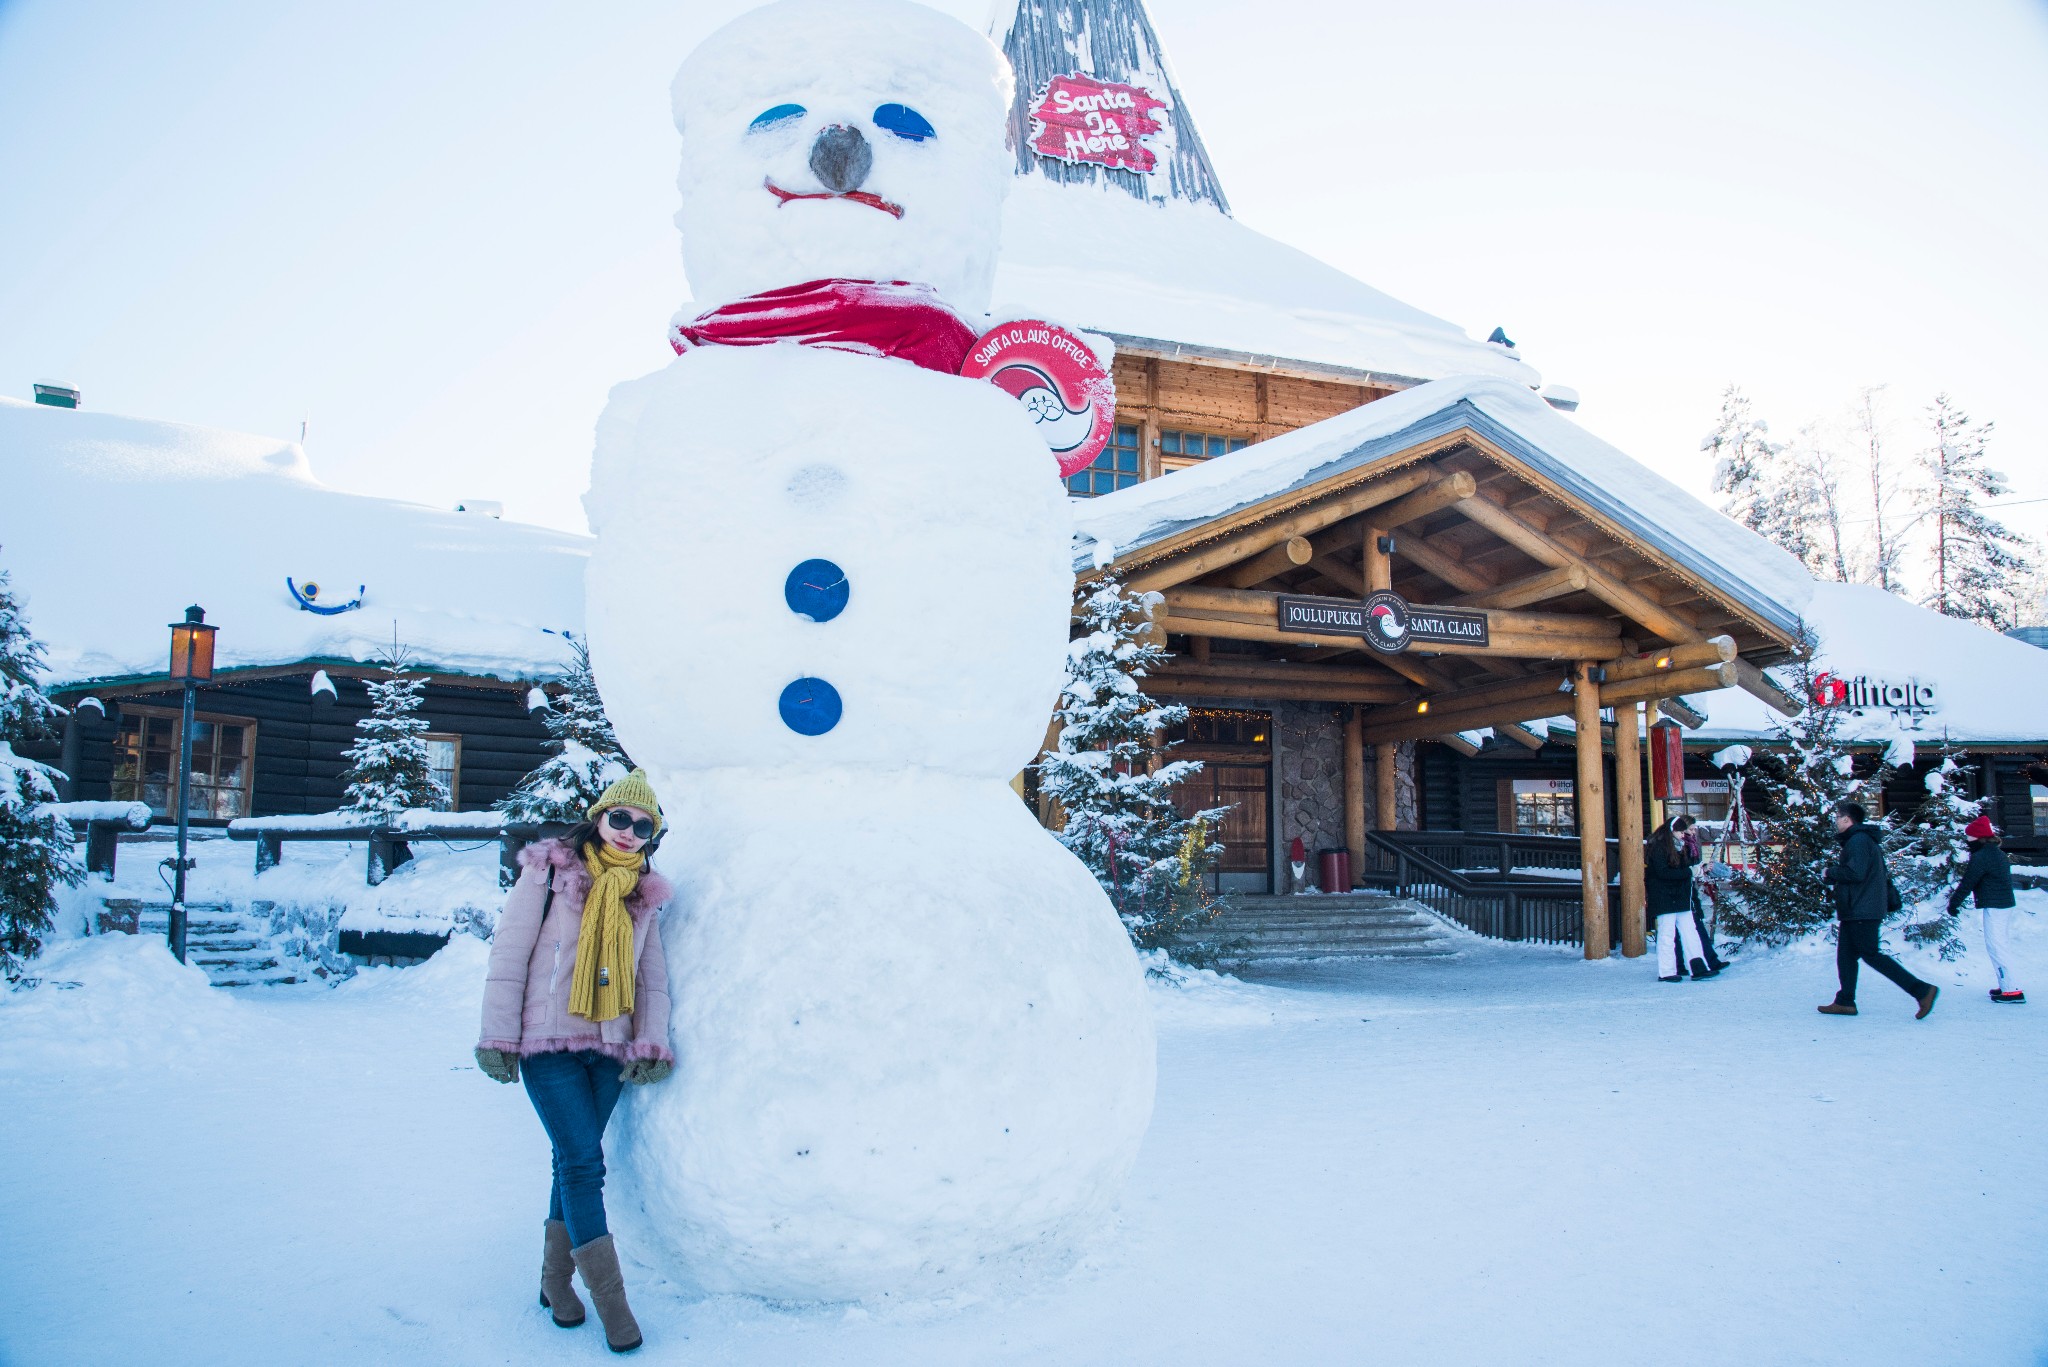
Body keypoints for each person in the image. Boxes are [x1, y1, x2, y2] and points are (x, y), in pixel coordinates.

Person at [475, 769, 676, 1354]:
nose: (629, 832)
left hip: (608, 1048)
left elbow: (652, 977)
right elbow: (510, 951)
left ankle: (553, 1283)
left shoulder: (644, 894)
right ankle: (615, 1309)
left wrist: (651, 1041)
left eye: (644, 826)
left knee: (572, 1160)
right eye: (621, 818)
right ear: (599, 816)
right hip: (547, 1042)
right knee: (585, 1164)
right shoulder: (551, 871)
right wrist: (497, 1036)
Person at [1818, 800, 1938, 1019]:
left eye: (1838, 818)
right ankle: (1845, 1001)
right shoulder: (1859, 840)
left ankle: (1921, 990)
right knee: (1845, 956)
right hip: (1857, 908)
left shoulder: (1859, 840)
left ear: (1847, 819)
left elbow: (1856, 873)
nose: (1835, 822)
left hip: (1862, 908)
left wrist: (1830, 872)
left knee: (1871, 954)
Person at [1948, 814, 2024, 1004]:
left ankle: (2012, 991)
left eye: (1969, 837)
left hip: (1996, 906)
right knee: (2000, 945)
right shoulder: (1994, 852)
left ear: (1978, 837)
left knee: (1997, 947)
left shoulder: (1982, 856)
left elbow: (1968, 882)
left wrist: (1954, 903)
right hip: (2002, 904)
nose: (1967, 840)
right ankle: (2007, 985)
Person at [1646, 818, 1716, 981]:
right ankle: (1667, 971)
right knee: (1667, 935)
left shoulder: (1680, 847)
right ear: (1671, 831)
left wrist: (1700, 869)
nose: (1683, 835)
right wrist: (1691, 871)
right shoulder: (1657, 848)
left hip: (1680, 897)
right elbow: (1663, 873)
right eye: (1680, 832)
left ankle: (1698, 967)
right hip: (1664, 898)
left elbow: (1685, 868)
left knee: (1690, 932)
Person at [1676, 815, 1730, 974]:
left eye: (1695, 829)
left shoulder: (1690, 844)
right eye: (1691, 829)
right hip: (1681, 892)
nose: (1693, 832)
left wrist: (1703, 868)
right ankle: (1697, 964)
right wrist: (1699, 869)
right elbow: (1683, 868)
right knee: (1688, 930)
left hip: (1689, 889)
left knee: (1692, 928)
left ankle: (1708, 961)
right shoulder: (1680, 845)